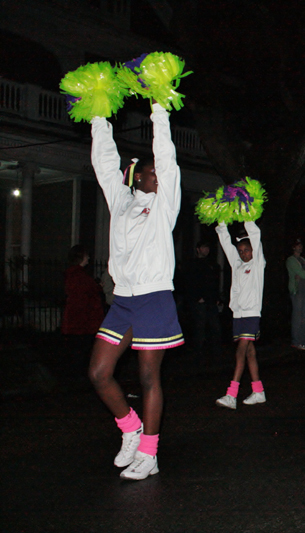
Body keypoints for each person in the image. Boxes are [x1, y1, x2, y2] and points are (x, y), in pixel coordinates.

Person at [87, 103, 184, 480]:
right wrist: (98, 116)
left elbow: (168, 161)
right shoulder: (122, 201)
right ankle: (131, 429)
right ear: (138, 177)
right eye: (152, 172)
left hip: (154, 297)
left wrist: (159, 111)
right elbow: (105, 164)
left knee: (148, 378)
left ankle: (149, 453)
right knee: (99, 373)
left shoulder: (163, 207)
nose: (159, 177)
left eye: (160, 173)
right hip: (123, 300)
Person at [214, 221, 266, 409]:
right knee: (250, 353)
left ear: (253, 250)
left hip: (251, 314)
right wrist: (221, 223)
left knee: (241, 351)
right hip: (238, 315)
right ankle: (258, 391)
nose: (244, 254)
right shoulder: (237, 265)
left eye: (247, 250)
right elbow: (227, 245)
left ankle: (231, 394)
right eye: (241, 251)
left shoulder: (258, 264)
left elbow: (256, 235)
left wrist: (248, 218)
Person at [62, 245, 105, 364]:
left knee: (77, 349)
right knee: (82, 350)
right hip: (83, 320)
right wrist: (98, 287)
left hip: (77, 319)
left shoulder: (73, 275)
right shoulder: (80, 276)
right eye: (86, 256)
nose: (88, 258)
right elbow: (87, 293)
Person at [182, 240, 221, 356]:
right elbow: (189, 283)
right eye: (204, 248)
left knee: (215, 327)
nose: (206, 250)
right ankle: (198, 352)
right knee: (200, 327)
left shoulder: (212, 264)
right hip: (199, 302)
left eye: (207, 248)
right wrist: (197, 297)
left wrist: (217, 297)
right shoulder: (192, 264)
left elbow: (215, 282)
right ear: (198, 249)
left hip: (211, 300)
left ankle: (215, 352)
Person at [286, 239, 305, 350]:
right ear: (293, 247)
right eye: (298, 245)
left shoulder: (303, 260)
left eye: (301, 245)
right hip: (297, 290)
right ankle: (296, 341)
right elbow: (304, 274)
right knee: (297, 317)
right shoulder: (291, 260)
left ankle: (304, 341)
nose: (300, 247)